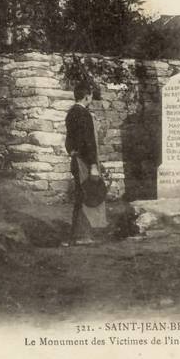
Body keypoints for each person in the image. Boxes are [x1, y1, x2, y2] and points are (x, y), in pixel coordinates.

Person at [64, 82, 100, 246]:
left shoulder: (71, 113)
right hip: (85, 160)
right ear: (87, 96)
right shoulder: (84, 114)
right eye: (91, 95)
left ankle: (76, 234)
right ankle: (82, 235)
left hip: (76, 158)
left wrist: (71, 151)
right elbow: (88, 142)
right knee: (87, 195)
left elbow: (69, 140)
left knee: (80, 194)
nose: (91, 98)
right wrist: (93, 164)